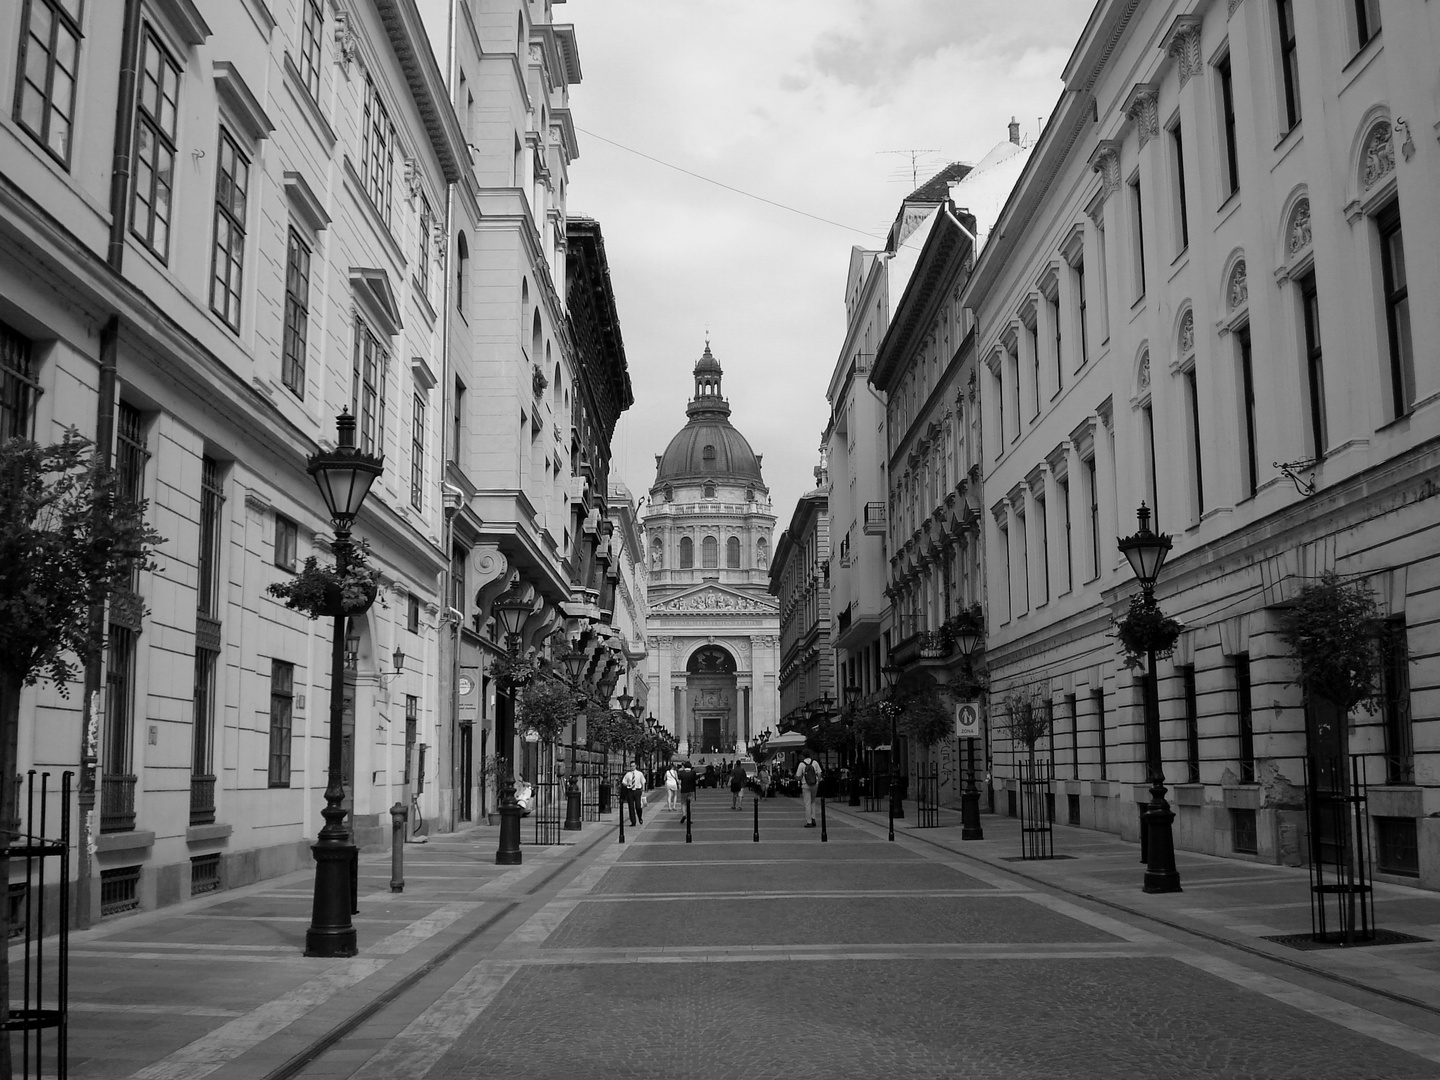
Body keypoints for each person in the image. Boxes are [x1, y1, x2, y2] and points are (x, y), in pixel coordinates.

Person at [796, 752, 822, 827]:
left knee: (807, 803)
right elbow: (819, 773)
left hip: (805, 784)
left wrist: (800, 778)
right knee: (813, 801)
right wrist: (817, 782)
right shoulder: (815, 762)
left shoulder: (801, 764)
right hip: (814, 784)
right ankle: (813, 818)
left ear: (803, 756)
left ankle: (809, 821)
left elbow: (798, 776)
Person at [621, 761, 645, 826]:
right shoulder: (628, 774)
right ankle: (633, 821)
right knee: (631, 807)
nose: (632, 767)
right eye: (631, 766)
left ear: (636, 766)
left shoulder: (640, 774)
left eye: (633, 766)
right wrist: (626, 784)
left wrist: (643, 790)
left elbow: (643, 782)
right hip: (630, 791)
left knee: (638, 806)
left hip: (637, 791)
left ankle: (640, 817)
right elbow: (623, 782)